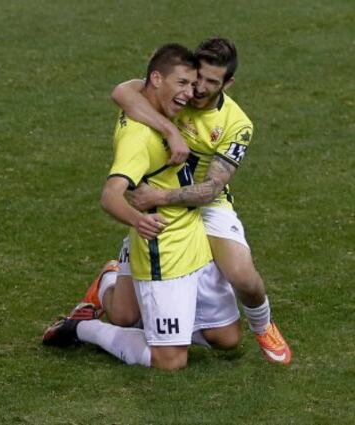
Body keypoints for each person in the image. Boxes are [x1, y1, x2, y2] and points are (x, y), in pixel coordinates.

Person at [43, 43, 242, 370]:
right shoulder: (137, 138)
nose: (191, 94)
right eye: (182, 84)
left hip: (195, 234)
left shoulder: (154, 105)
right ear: (156, 80)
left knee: (227, 338)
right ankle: (81, 327)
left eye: (193, 85)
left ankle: (112, 279)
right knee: (170, 360)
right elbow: (110, 195)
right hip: (164, 247)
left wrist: (169, 128)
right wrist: (137, 220)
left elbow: (124, 90)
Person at [108, 37, 291, 365]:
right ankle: (117, 280)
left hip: (204, 205)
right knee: (123, 315)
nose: (200, 89)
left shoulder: (237, 124)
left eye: (212, 82)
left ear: (228, 83)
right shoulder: (178, 91)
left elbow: (211, 188)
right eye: (199, 77)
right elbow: (121, 93)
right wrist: (170, 131)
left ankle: (263, 326)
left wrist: (161, 195)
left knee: (243, 276)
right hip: (163, 210)